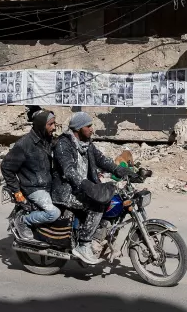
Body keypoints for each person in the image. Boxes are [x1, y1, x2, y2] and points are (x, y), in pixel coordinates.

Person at [51, 112, 135, 265]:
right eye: (88, 126)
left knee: (113, 199)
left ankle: (101, 237)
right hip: (66, 191)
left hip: (82, 188)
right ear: (78, 128)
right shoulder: (63, 144)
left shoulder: (86, 143)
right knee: (97, 204)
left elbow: (102, 160)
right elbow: (69, 170)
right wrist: (86, 185)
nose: (92, 129)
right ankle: (84, 244)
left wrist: (123, 171)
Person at [0, 110, 61, 241]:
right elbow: (6, 167)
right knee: (53, 213)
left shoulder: (47, 140)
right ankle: (23, 221)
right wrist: (16, 191)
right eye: (50, 124)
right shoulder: (24, 145)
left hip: (48, 185)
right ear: (41, 125)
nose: (54, 127)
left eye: (54, 123)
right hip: (33, 188)